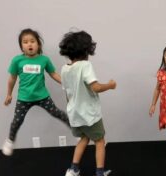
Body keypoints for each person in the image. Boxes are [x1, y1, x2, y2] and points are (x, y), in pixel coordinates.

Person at [2, 28, 70, 156]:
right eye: (25, 42)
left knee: (57, 113)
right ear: (21, 46)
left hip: (42, 96)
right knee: (17, 120)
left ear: (38, 44)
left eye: (32, 41)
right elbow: (12, 78)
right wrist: (9, 94)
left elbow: (53, 73)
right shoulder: (17, 61)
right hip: (24, 98)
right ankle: (10, 140)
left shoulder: (44, 60)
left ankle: (76, 131)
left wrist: (65, 83)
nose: (29, 44)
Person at [59, 30, 116, 176]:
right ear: (86, 50)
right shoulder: (85, 66)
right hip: (89, 114)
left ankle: (73, 169)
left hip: (75, 113)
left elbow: (67, 93)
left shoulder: (65, 69)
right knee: (100, 141)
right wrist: (110, 85)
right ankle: (100, 172)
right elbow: (95, 87)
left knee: (83, 138)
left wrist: (72, 108)